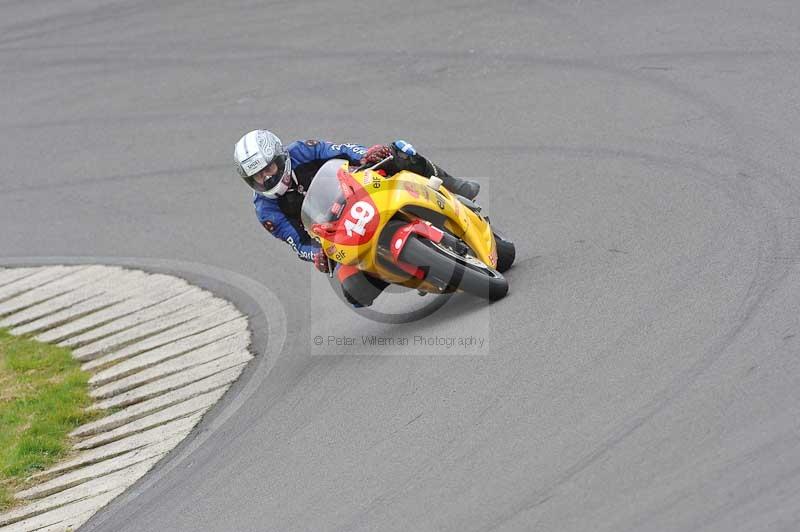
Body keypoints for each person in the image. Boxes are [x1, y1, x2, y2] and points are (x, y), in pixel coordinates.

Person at [233, 129, 480, 307]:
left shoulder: (301, 151)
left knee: (400, 152)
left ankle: (452, 185)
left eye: (269, 169)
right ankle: (410, 272)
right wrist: (318, 254)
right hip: (340, 235)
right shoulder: (266, 211)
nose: (266, 178)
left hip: (362, 192)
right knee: (355, 293)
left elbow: (341, 150)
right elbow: (298, 243)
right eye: (258, 176)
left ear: (279, 158)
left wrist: (367, 155)